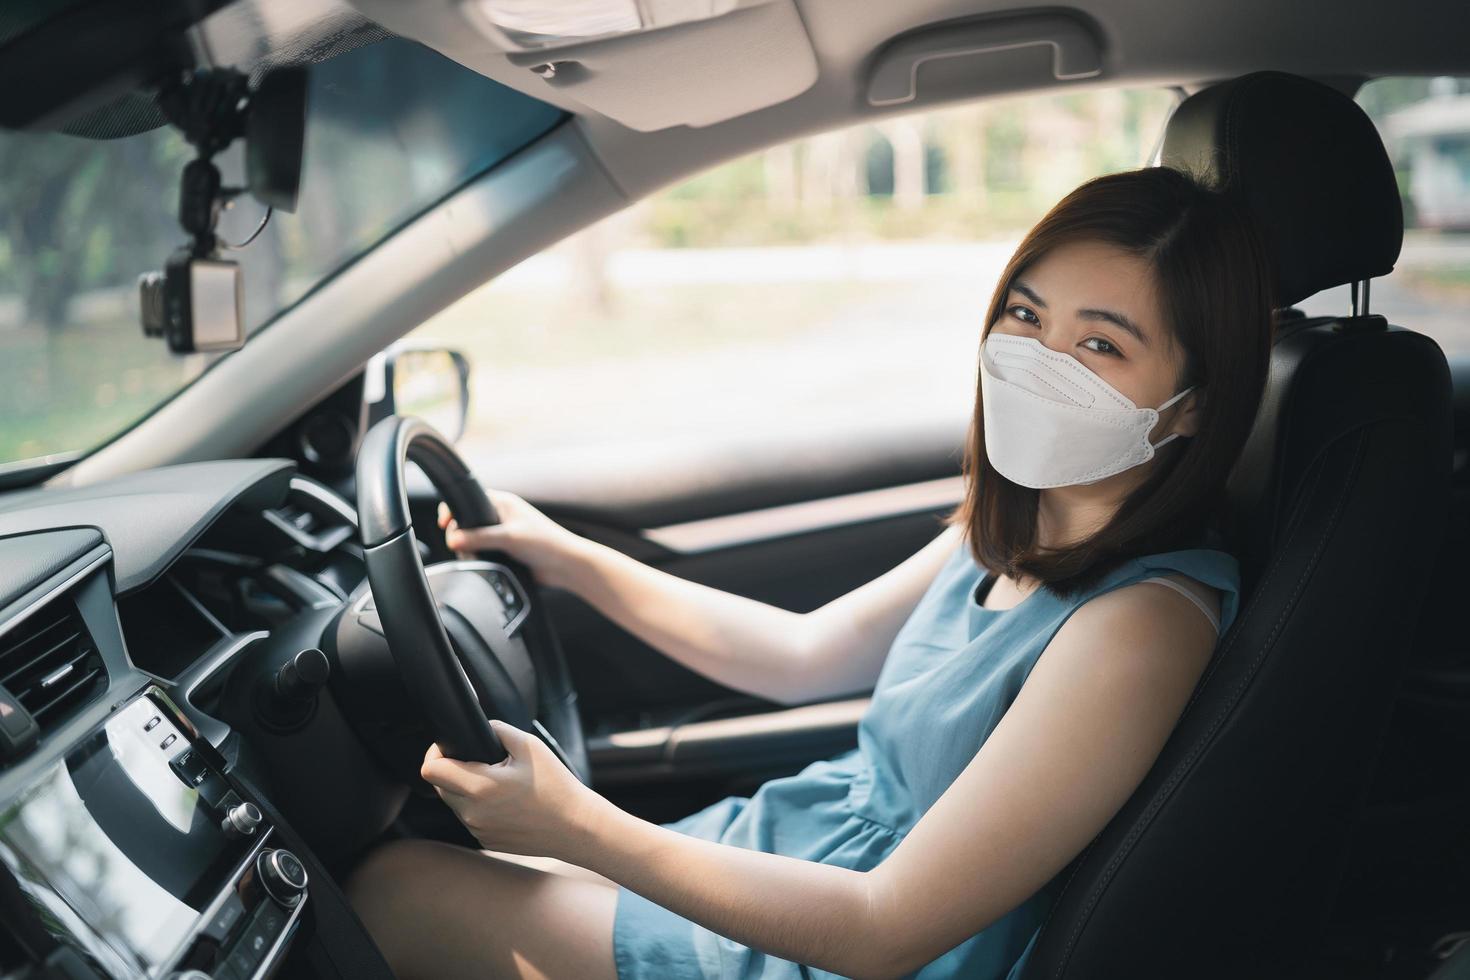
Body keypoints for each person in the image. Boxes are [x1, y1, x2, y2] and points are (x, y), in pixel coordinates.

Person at [344, 165, 1275, 980]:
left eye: (1101, 345)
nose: (1038, 362)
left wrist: (581, 827)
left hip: (846, 944)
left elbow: (886, 932)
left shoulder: (1141, 623)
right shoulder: (1019, 525)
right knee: (473, 868)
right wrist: (571, 559)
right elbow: (799, 655)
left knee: (393, 890)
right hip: (804, 859)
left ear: (1192, 408)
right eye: (1026, 315)